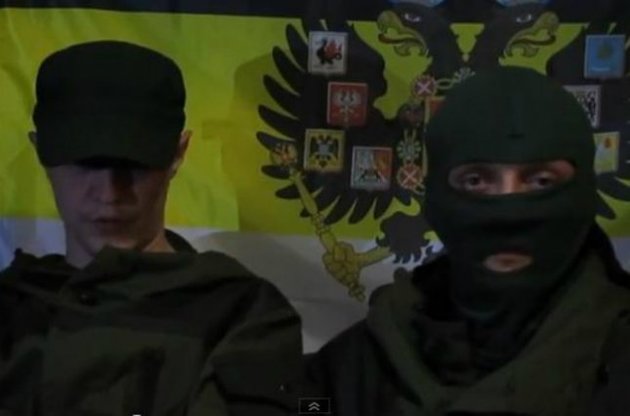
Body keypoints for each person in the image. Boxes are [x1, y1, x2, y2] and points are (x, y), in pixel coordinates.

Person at [0, 41, 302, 416]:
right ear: (40, 150)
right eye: (85, 163)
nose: (110, 193)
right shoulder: (13, 308)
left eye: (136, 164)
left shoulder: (242, 316)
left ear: (178, 153)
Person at [307, 66, 630, 415]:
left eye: (540, 181)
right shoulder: (353, 368)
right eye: (476, 181)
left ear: (582, 193)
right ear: (437, 197)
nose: (509, 214)